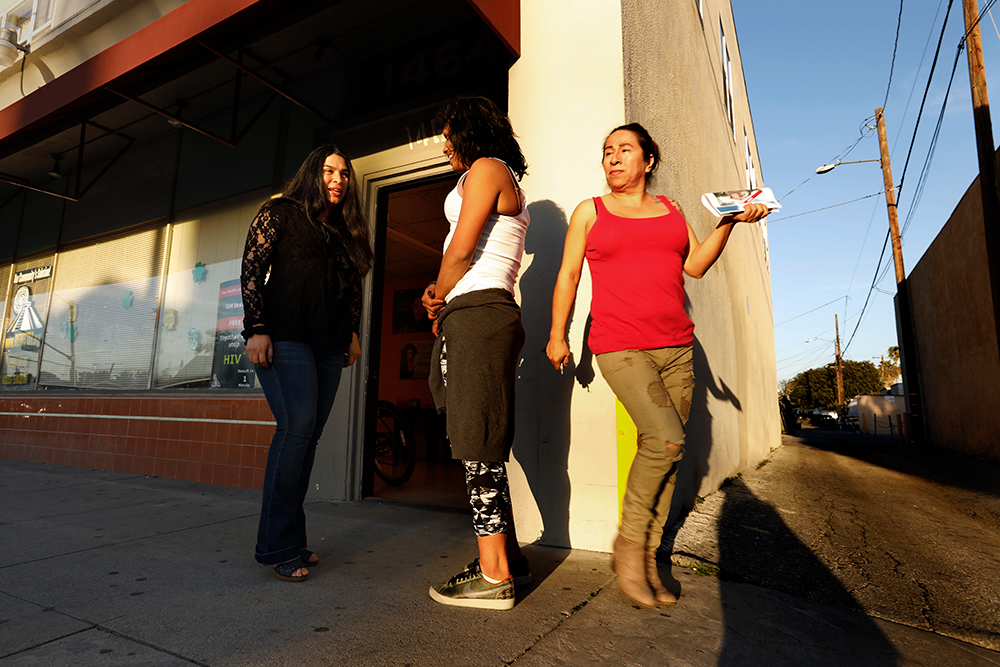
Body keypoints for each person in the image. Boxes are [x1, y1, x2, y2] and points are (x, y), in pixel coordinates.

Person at [545, 123, 768, 607]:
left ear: (648, 160)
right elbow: (567, 274)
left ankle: (648, 556)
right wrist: (558, 334)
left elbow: (696, 265)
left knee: (670, 454)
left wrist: (729, 221)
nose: (613, 158)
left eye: (625, 149)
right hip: (620, 345)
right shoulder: (591, 211)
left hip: (677, 347)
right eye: (607, 151)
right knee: (666, 440)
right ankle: (628, 543)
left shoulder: (670, 211)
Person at [241, 144, 373, 582]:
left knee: (308, 437)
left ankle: (290, 540)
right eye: (330, 171)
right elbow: (251, 270)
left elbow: (351, 290)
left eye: (345, 174)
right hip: (285, 337)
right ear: (312, 173)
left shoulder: (344, 232)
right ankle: (279, 546)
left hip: (329, 345)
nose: (338, 179)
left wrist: (352, 334)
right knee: (296, 428)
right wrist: (256, 328)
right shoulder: (280, 212)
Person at [421, 96, 530, 610]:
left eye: (448, 134)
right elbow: (458, 252)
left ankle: (493, 576)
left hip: (480, 310)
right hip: (470, 309)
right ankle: (505, 558)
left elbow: (463, 250)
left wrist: (440, 294)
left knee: (477, 436)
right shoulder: (487, 173)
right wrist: (438, 294)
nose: (444, 145)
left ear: (468, 132)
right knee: (473, 429)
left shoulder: (487, 168)